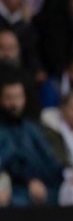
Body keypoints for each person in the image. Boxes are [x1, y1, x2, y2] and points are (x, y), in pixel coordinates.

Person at [0, 75, 62, 206]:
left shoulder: (31, 128)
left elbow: (50, 160)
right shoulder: (2, 130)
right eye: (9, 98)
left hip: (43, 185)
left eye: (18, 97)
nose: (14, 103)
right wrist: (29, 180)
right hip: (16, 188)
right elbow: (7, 160)